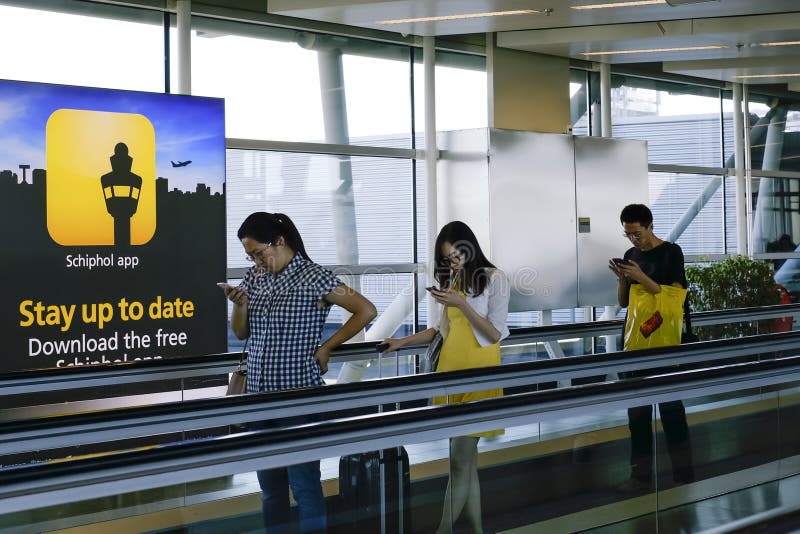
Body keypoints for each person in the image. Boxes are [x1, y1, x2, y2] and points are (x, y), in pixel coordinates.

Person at [219, 212, 377, 534]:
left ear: (278, 241)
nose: (256, 261)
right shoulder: (254, 278)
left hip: (299, 396)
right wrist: (238, 303)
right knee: (271, 489)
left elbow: (366, 310)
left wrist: (328, 346)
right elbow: (243, 333)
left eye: (259, 253)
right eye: (250, 256)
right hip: (259, 395)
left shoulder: (315, 277)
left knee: (304, 485)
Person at [380, 220, 510, 534]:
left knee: (459, 459)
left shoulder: (495, 279)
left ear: (470, 249)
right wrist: (401, 342)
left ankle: (442, 531)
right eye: (446, 258)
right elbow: (441, 331)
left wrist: (462, 304)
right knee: (465, 461)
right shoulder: (453, 282)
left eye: (455, 257)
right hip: (451, 374)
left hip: (480, 375)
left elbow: (494, 334)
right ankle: (476, 530)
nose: (451, 263)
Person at [609, 204, 695, 492]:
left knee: (671, 411)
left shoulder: (672, 252)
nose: (634, 240)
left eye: (637, 233)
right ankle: (641, 476)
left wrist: (641, 277)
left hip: (664, 344)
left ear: (650, 226)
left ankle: (683, 475)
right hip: (636, 342)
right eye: (628, 235)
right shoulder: (630, 256)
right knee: (637, 415)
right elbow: (624, 303)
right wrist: (623, 279)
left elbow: (674, 296)